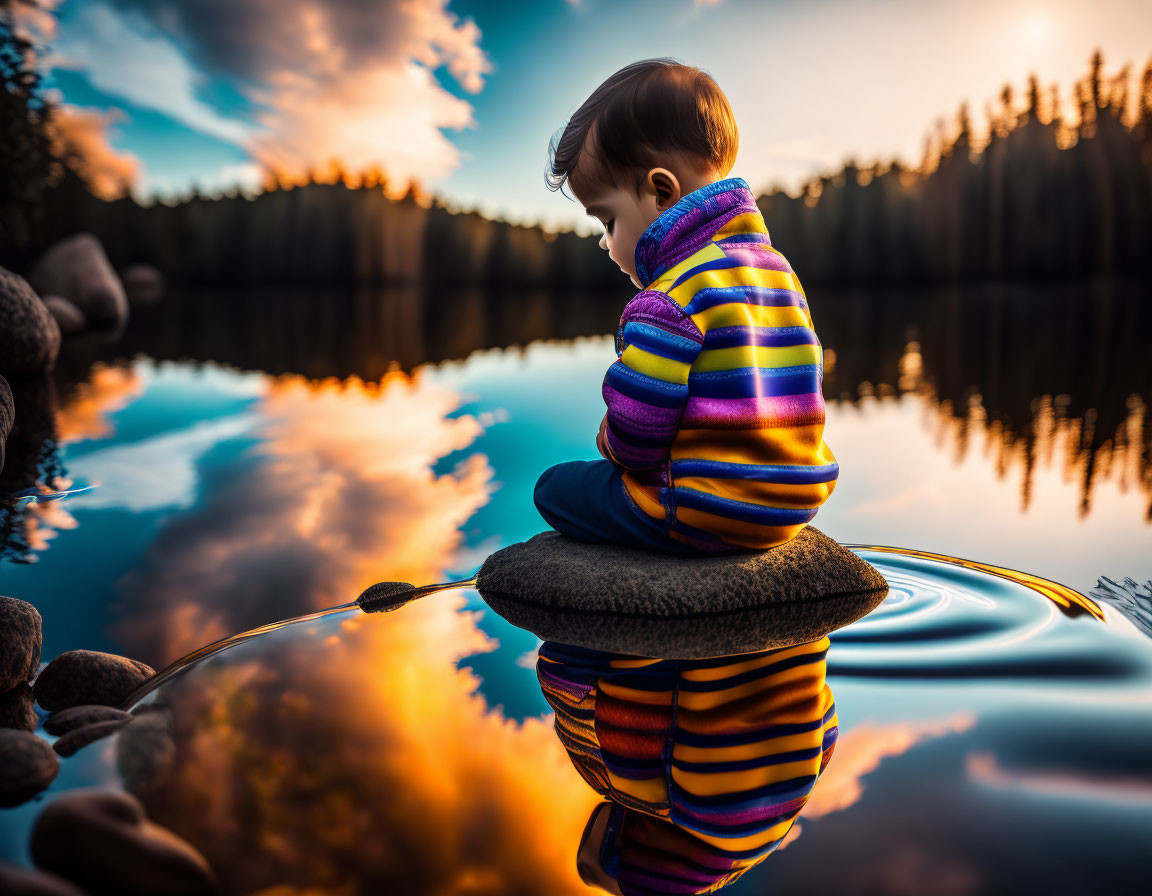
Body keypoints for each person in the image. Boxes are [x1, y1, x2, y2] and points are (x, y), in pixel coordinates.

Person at [534, 58, 838, 555]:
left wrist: (608, 441)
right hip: (793, 507)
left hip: (701, 511)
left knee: (554, 488)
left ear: (660, 192)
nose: (606, 243)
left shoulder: (670, 299)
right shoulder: (780, 273)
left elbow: (636, 440)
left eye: (607, 221)